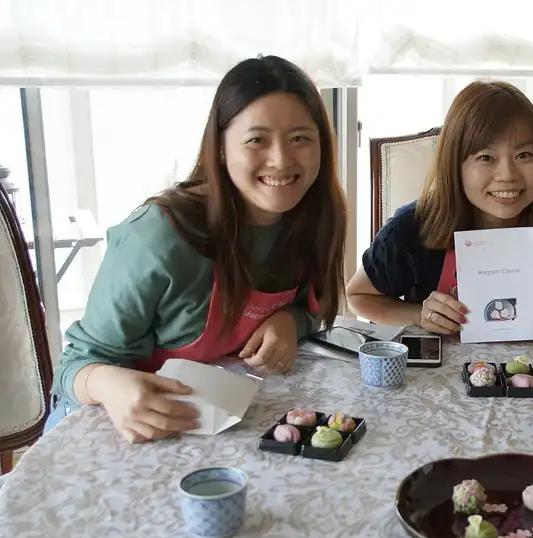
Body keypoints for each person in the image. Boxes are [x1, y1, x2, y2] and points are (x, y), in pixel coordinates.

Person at [46, 55, 348, 442]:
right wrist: (110, 385)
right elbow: (74, 367)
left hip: (215, 427)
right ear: (221, 149)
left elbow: (316, 305)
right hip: (116, 429)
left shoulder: (313, 217)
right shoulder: (159, 236)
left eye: (300, 138)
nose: (281, 160)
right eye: (257, 140)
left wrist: (290, 321)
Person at [346, 81, 533, 338]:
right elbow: (359, 297)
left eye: (524, 155)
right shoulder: (413, 227)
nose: (507, 175)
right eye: (485, 157)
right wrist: (420, 315)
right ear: (454, 165)